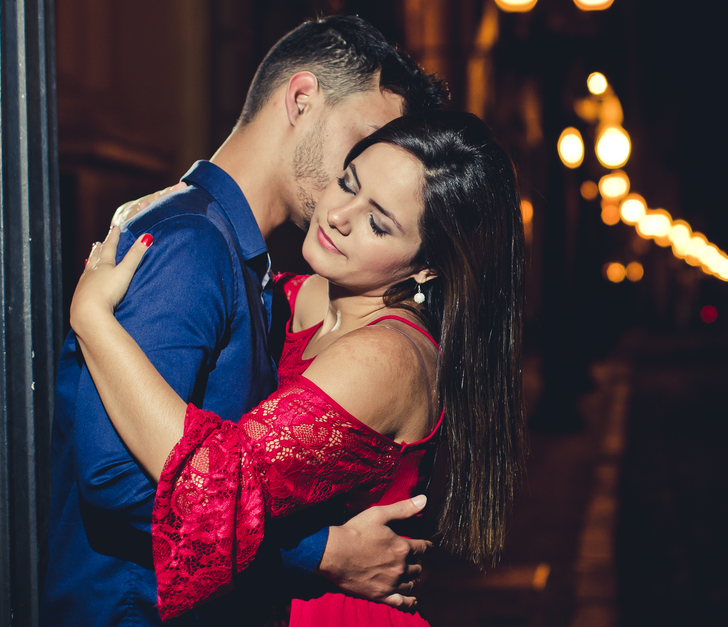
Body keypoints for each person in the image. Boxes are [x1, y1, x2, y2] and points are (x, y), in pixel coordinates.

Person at [43, 16, 448, 627]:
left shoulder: (250, 262)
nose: (371, 164)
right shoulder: (192, 246)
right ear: (303, 98)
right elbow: (116, 480)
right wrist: (323, 555)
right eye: (366, 141)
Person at [68, 111, 526, 625]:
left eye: (378, 222)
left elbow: (213, 486)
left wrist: (93, 320)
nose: (338, 215)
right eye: (347, 182)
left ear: (426, 266)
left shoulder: (385, 357)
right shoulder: (294, 294)